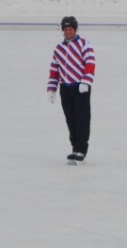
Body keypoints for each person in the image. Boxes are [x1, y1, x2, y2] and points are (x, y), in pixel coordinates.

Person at [46, 16, 96, 165]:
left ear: (75, 30)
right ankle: (75, 148)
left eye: (70, 29)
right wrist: (52, 88)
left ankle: (81, 149)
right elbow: (54, 69)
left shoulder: (84, 45)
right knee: (71, 119)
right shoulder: (59, 49)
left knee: (82, 119)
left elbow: (90, 63)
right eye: (65, 29)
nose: (68, 31)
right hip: (65, 89)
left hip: (80, 88)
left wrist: (86, 82)